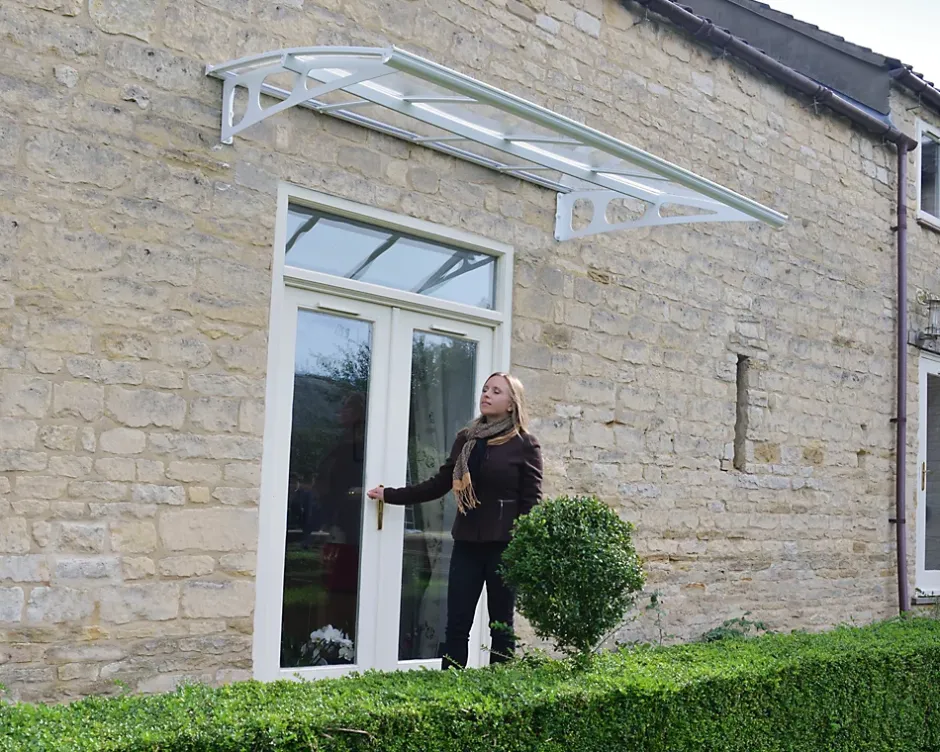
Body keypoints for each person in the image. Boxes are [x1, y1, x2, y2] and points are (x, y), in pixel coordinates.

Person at [368, 372, 543, 669]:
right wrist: (391, 495)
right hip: (467, 544)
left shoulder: (525, 444)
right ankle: (450, 687)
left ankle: (501, 687)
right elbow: (440, 483)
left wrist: (526, 549)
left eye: (496, 391)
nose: (486, 394)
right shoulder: (466, 439)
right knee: (457, 625)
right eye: (485, 389)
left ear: (512, 404)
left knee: (501, 627)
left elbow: (532, 504)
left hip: (506, 548)